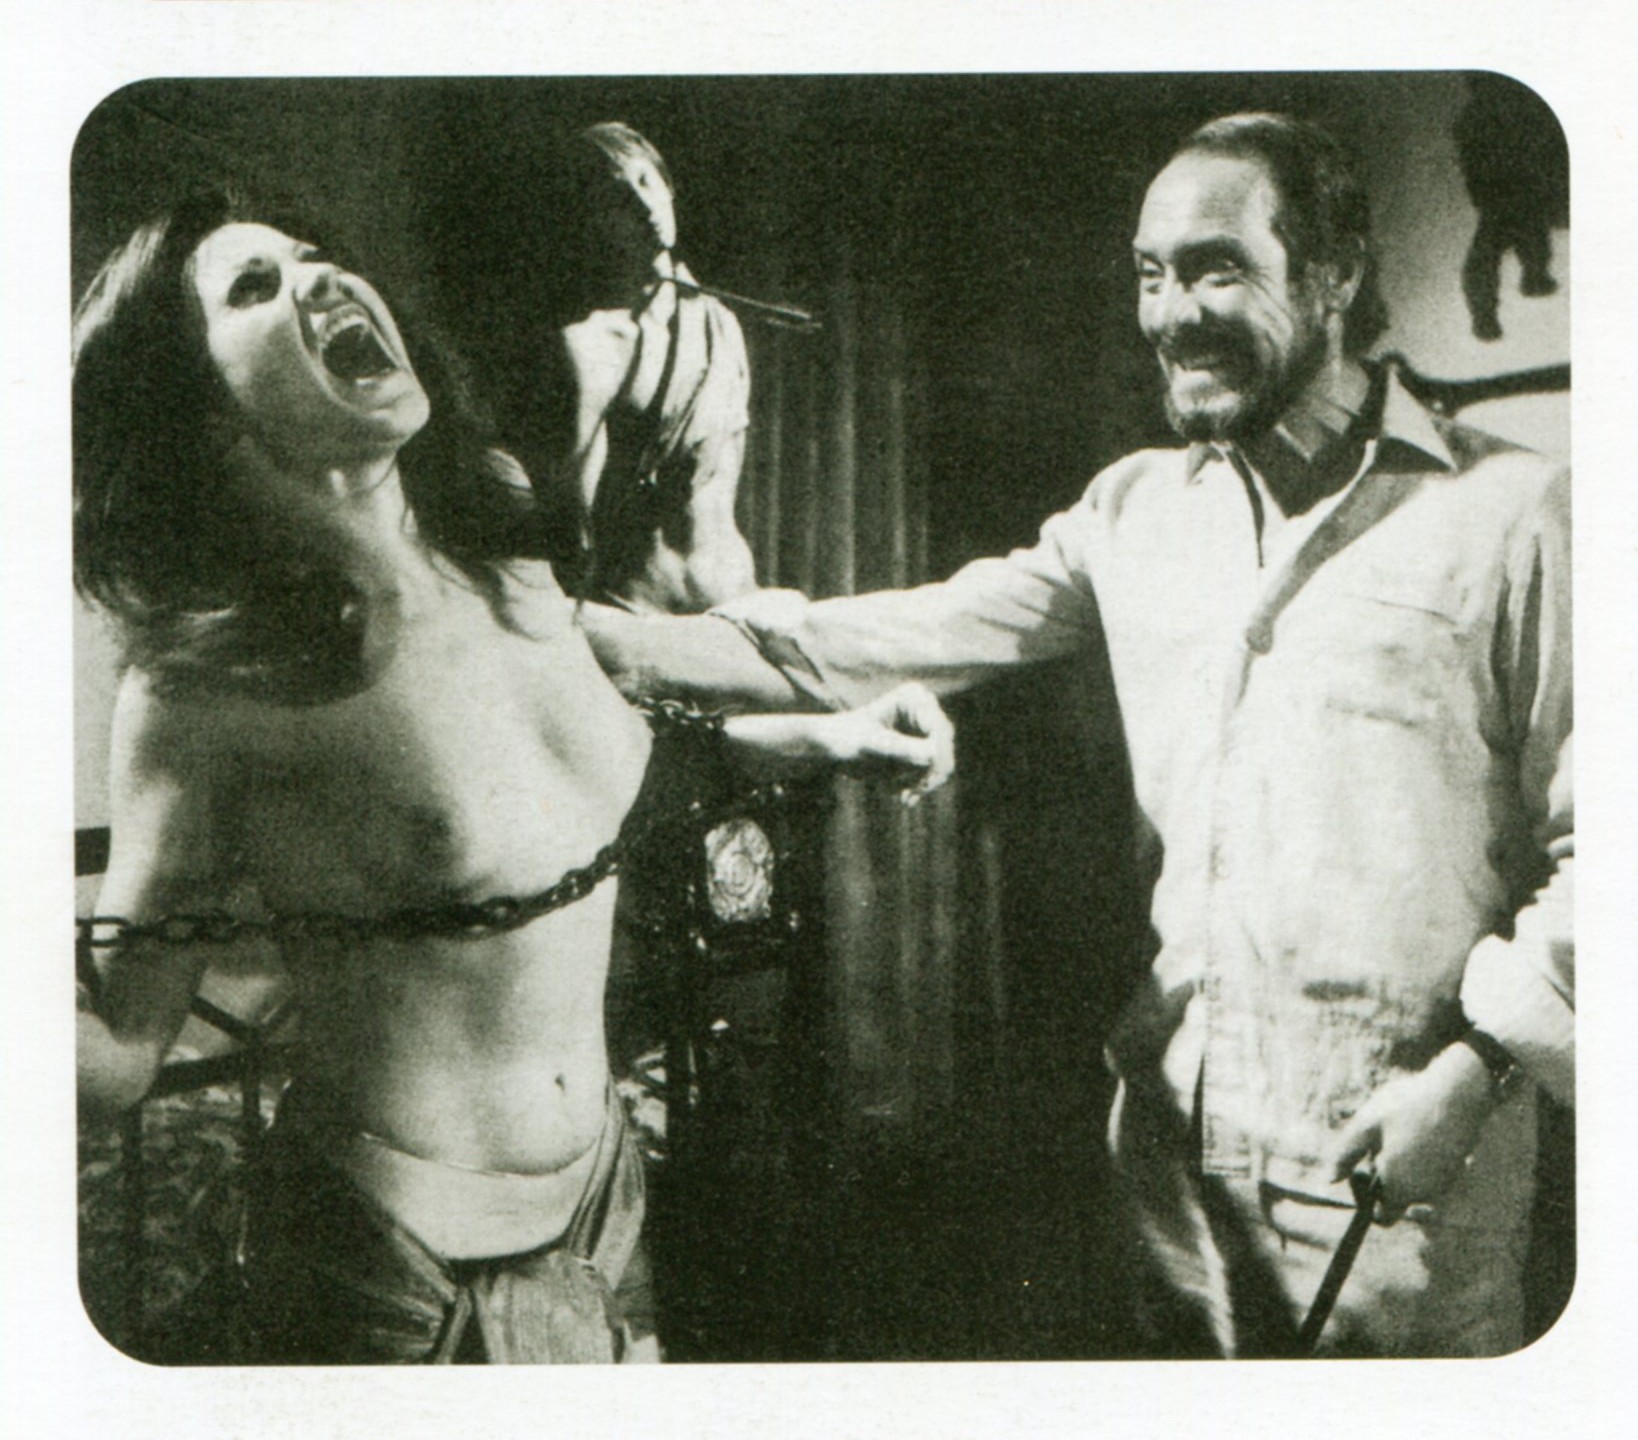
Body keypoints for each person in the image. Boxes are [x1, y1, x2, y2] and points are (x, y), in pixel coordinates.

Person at [579, 113, 1573, 1357]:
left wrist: (1472, 1079)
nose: (1170, 315)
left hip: (1401, 1172)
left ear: (1334, 274)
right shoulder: (1133, 511)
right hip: (1168, 1166)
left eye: (1215, 269)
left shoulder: (1516, 514)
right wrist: (574, 639)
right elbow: (879, 636)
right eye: (1151, 275)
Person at [72, 184, 954, 1365]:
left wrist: (835, 734)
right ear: (202, 410)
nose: (319, 278)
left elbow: (600, 763)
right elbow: (124, 1054)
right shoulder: (206, 694)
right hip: (391, 1281)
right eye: (253, 287)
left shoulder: (499, 542)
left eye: (315, 253)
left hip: (609, 1227)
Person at [541, 121, 756, 614]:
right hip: (637, 606)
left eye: (645, 181)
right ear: (593, 222)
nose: (642, 205)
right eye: (617, 198)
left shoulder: (721, 324)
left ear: (668, 188)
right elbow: (572, 528)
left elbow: (726, 479)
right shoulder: (591, 344)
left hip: (734, 593)